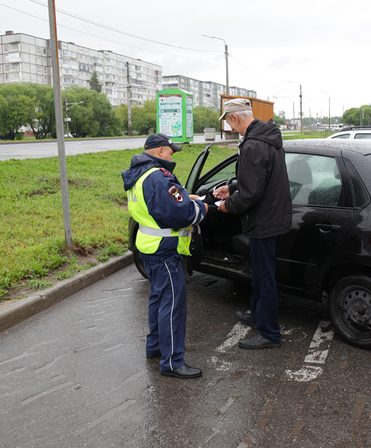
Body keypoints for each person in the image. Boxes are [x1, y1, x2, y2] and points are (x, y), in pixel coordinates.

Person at [122, 133, 208, 379]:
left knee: (159, 299)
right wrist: (201, 207)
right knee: (172, 305)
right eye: (171, 151)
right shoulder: (160, 177)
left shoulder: (140, 173)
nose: (172, 155)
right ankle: (172, 362)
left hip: (148, 246)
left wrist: (183, 198)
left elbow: (158, 205)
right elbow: (179, 214)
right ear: (160, 151)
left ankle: (155, 347)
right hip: (164, 250)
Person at [212, 99, 292, 350]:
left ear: (234, 118)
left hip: (264, 221)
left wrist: (227, 205)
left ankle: (269, 333)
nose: (228, 125)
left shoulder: (254, 145)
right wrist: (232, 187)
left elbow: (251, 194)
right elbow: (259, 181)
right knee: (260, 273)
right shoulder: (266, 138)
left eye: (227, 120)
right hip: (274, 217)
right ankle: (257, 315)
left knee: (263, 277)